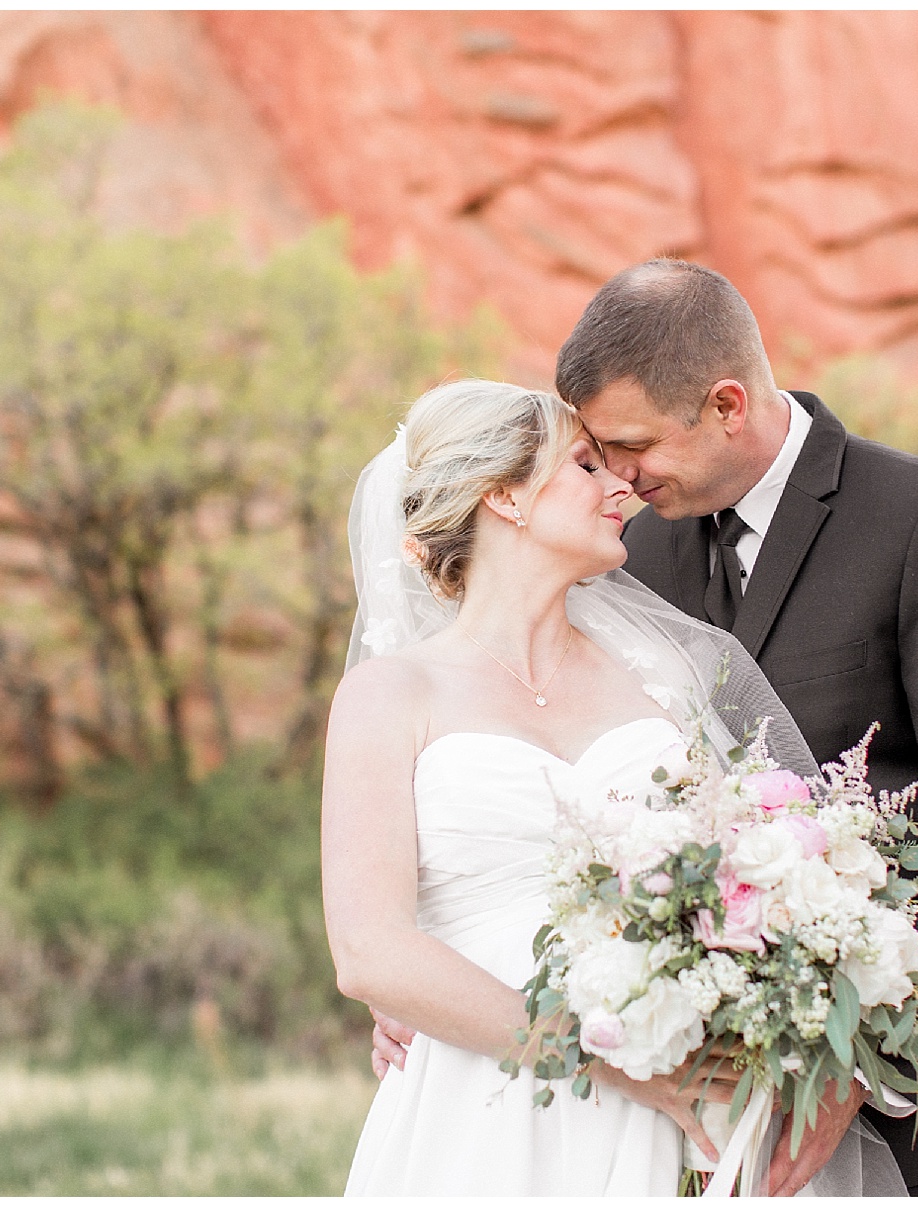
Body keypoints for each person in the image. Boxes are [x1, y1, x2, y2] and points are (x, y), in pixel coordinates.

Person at [373, 261, 918, 1196]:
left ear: (727, 404)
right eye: (597, 455)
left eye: (631, 445)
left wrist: (852, 1066)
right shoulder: (628, 553)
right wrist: (447, 982)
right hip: (685, 1112)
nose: (617, 477)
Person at [328, 378, 804, 1194]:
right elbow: (371, 952)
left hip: (683, 1093)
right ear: (505, 495)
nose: (623, 485)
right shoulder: (391, 694)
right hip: (483, 1104)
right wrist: (613, 1067)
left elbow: (759, 870)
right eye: (585, 464)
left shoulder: (667, 678)